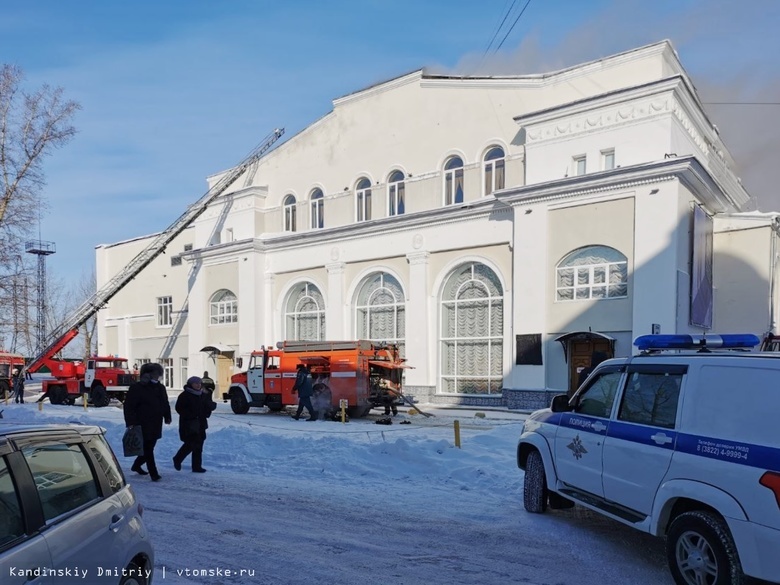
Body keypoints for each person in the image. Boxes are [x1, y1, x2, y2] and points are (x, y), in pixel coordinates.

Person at [123, 362, 172, 481]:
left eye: (159, 374)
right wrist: (131, 422)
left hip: (156, 422)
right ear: (148, 374)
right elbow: (129, 406)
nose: (158, 377)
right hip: (141, 423)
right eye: (156, 374)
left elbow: (164, 403)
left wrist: (167, 415)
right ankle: (153, 473)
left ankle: (136, 465)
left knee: (149, 447)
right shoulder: (137, 388)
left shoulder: (160, 387)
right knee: (148, 449)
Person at [172, 376, 216, 473]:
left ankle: (196, 466)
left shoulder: (202, 395)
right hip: (189, 424)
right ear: (190, 384)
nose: (198, 385)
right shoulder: (184, 395)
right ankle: (177, 459)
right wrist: (191, 415)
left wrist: (210, 408)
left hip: (201, 423)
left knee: (199, 445)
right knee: (191, 444)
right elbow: (179, 408)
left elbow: (206, 408)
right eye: (196, 383)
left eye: (199, 383)